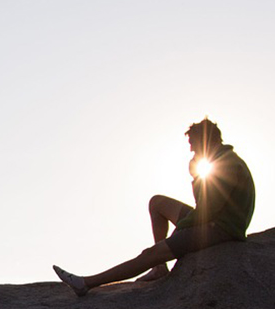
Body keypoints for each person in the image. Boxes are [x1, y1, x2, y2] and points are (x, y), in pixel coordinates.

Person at [53, 118, 255, 297]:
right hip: (213, 219)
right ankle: (160, 268)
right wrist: (196, 178)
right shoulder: (221, 160)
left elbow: (207, 211)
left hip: (221, 228)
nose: (192, 151)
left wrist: (180, 231)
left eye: (193, 145)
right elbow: (204, 204)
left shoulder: (226, 165)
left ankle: (86, 283)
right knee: (157, 203)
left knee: (150, 253)